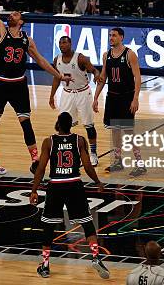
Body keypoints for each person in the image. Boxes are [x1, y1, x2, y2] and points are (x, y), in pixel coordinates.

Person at [0, 0, 69, 175]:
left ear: (20, 21)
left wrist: (59, 75)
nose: (11, 14)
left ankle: (35, 158)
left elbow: (41, 61)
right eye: (12, 13)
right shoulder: (0, 32)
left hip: (19, 84)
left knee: (25, 122)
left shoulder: (26, 40)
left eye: (15, 14)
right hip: (1, 83)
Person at [30, 112, 109, 279]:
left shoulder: (49, 142)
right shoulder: (79, 140)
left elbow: (41, 168)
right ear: (71, 125)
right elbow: (88, 166)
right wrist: (98, 182)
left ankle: (45, 265)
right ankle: (95, 256)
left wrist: (34, 190)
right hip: (74, 184)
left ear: (58, 124)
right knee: (87, 223)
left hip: (56, 185)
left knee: (49, 226)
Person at [92, 27, 144, 176]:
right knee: (115, 130)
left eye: (114, 35)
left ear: (121, 37)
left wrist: (135, 99)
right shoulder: (106, 55)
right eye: (110, 35)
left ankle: (140, 164)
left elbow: (138, 78)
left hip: (126, 97)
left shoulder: (130, 55)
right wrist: (95, 98)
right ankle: (117, 161)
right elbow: (103, 78)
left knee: (129, 131)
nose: (111, 38)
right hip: (112, 97)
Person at [49, 36, 102, 166]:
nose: (62, 45)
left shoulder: (80, 58)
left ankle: (93, 154)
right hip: (67, 94)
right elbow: (56, 78)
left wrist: (96, 75)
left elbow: (94, 70)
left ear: (70, 44)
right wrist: (52, 96)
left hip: (83, 93)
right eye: (60, 43)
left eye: (65, 42)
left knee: (89, 125)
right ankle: (70, 152)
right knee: (64, 126)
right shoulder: (57, 60)